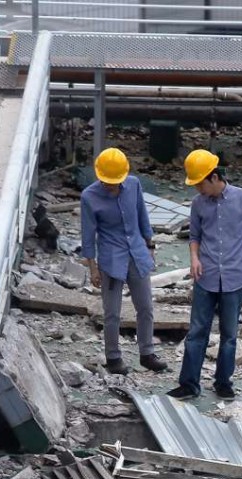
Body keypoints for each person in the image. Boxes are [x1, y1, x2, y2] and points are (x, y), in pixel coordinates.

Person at [167, 149, 242, 400]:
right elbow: (194, 236)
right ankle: (189, 384)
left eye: (200, 184)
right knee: (197, 331)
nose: (198, 189)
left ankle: (223, 382)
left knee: (229, 334)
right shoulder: (198, 203)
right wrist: (194, 258)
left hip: (234, 277)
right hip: (206, 276)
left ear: (213, 177)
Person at [81, 147, 168, 375]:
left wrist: (150, 246)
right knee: (112, 312)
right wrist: (93, 269)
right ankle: (113, 357)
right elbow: (88, 236)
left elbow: (142, 217)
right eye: (107, 182)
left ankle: (147, 353)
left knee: (146, 307)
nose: (111, 186)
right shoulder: (89, 197)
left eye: (115, 182)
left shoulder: (134, 185)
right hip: (111, 260)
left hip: (137, 254)